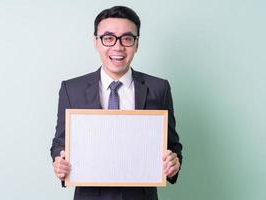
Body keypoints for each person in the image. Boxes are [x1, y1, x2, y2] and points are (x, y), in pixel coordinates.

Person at [50, 5, 183, 200]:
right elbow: (59, 143)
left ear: (136, 44)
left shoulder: (158, 88)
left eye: (127, 39)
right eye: (108, 38)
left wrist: (174, 162)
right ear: (96, 42)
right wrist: (58, 161)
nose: (118, 47)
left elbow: (173, 145)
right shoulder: (72, 89)